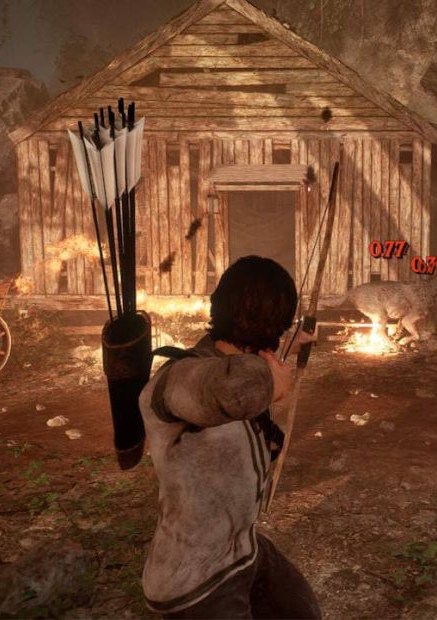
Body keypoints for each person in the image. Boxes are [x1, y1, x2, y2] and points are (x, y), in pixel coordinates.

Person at [139, 255, 321, 619]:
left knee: (301, 611)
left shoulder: (248, 361)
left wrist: (290, 343)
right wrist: (271, 381)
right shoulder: (179, 378)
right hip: (194, 578)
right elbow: (231, 386)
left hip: (242, 550)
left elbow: (248, 365)